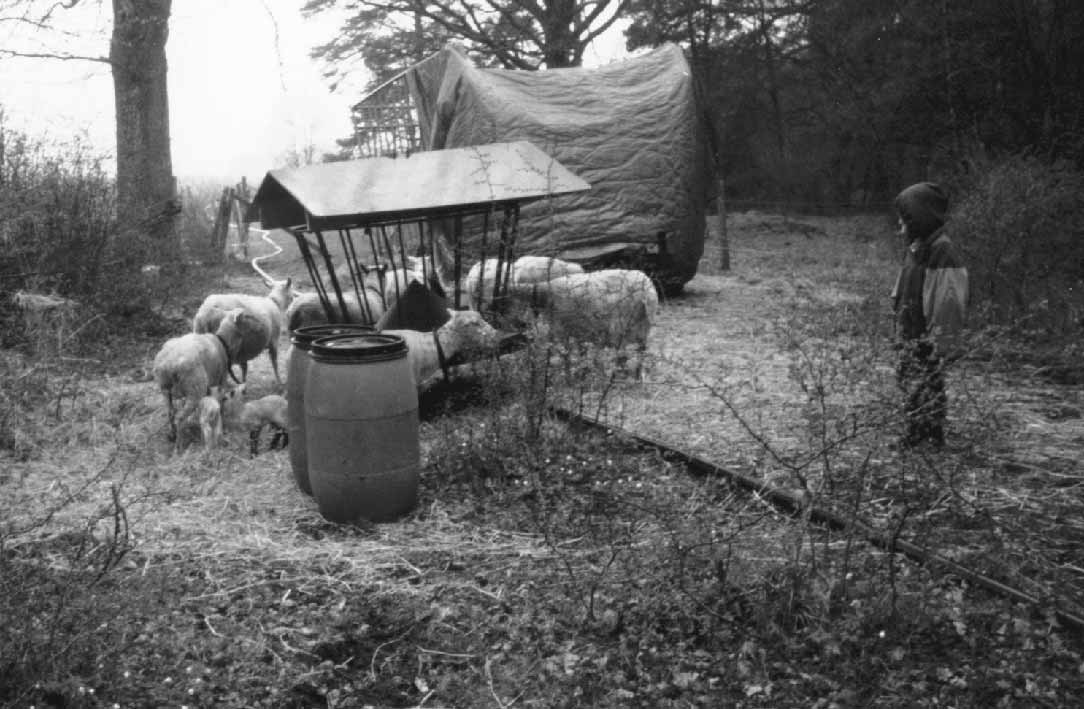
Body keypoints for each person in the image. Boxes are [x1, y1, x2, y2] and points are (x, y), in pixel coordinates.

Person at [890, 181, 969, 448]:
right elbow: (904, 284)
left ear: (920, 217)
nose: (900, 226)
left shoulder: (941, 250)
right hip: (911, 331)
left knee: (928, 383)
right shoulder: (917, 246)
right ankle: (915, 433)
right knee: (910, 382)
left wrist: (942, 341)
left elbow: (948, 300)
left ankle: (931, 437)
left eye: (904, 220)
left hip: (927, 334)